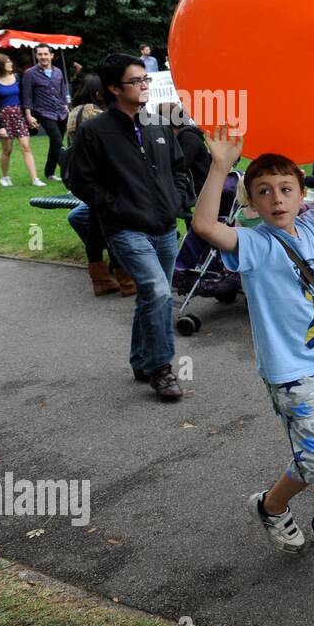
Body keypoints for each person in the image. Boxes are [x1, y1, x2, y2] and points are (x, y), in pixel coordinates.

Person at [192, 100, 314, 556]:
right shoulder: (254, 244)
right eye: (263, 191)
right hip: (289, 372)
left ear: (303, 193)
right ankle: (270, 505)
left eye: (286, 189)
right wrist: (222, 164)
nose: (277, 199)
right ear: (251, 200)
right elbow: (204, 225)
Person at [67, 54, 194, 401]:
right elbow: (79, 179)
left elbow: (180, 168)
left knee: (153, 294)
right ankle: (161, 370)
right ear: (113, 88)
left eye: (146, 80)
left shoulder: (158, 122)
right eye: (136, 81)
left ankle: (141, 359)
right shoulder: (95, 131)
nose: (144, 86)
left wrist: (176, 199)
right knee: (159, 292)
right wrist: (115, 205)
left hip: (165, 225)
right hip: (126, 228)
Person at [63, 74, 131, 296]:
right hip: (102, 177)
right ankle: (126, 278)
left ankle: (100, 278)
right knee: (112, 227)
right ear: (99, 92)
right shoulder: (95, 112)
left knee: (95, 225)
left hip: (82, 177)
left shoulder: (74, 111)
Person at [0, 53, 43, 187]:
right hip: (4, 118)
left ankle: (35, 178)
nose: (10, 63)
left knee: (26, 146)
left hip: (19, 116)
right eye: (7, 62)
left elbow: (25, 97)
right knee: (7, 150)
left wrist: (29, 115)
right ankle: (5, 177)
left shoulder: (18, 76)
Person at [20, 44, 70, 182]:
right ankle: (68, 172)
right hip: (43, 111)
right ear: (36, 56)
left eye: (46, 54)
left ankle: (49, 173)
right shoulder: (30, 73)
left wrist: (66, 106)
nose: (43, 57)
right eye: (40, 54)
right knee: (58, 141)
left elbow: (63, 90)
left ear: (52, 55)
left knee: (56, 143)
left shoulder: (58, 71)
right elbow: (27, 95)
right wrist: (28, 115)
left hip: (61, 111)